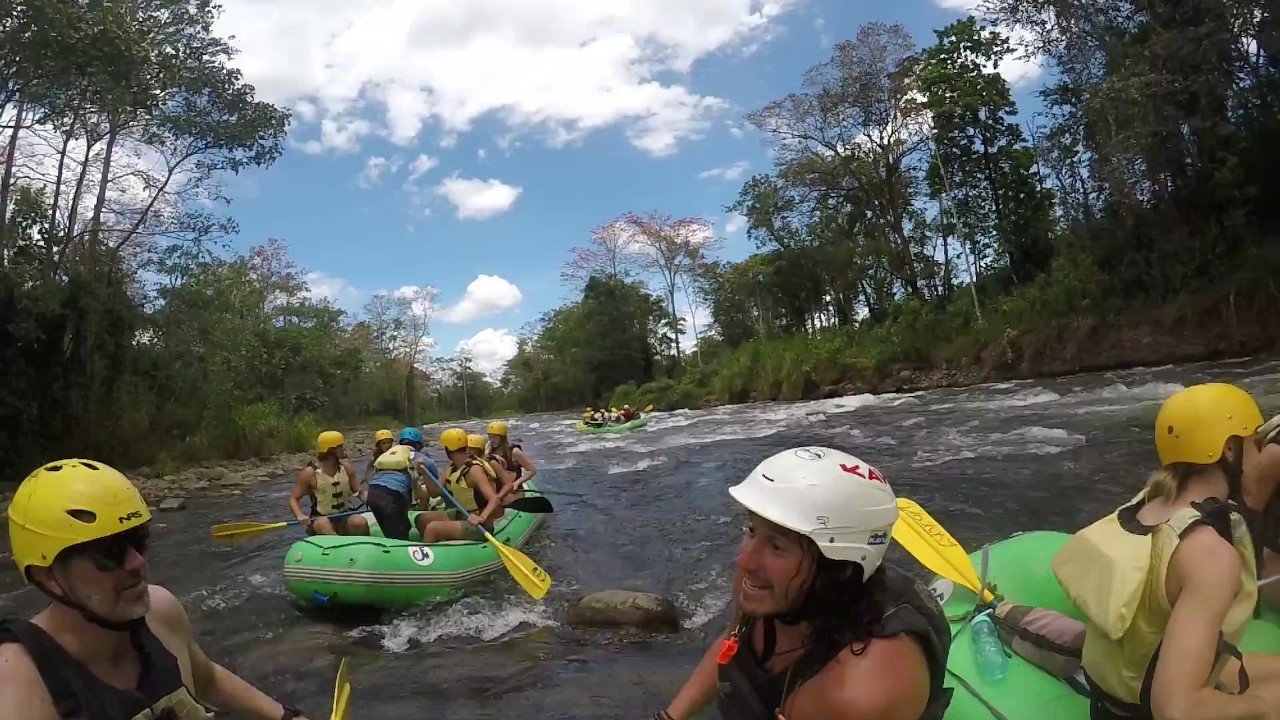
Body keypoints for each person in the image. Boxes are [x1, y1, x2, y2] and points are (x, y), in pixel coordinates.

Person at [0, 459, 316, 720]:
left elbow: (206, 677)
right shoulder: (19, 684)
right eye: (109, 552)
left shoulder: (160, 611)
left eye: (138, 539)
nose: (137, 562)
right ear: (48, 576)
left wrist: (285, 716)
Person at [656, 447, 952, 720]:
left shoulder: (858, 695)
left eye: (777, 547)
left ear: (836, 567)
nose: (745, 561)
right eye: (751, 530)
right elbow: (732, 640)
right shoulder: (768, 588)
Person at [1052, 382, 1280, 719]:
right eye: (1256, 443)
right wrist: (1260, 707)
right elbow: (1178, 710)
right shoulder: (1210, 556)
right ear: (1229, 451)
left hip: (1112, 703)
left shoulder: (1147, 504)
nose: (1263, 455)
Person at [416, 428, 505, 543]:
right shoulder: (451, 467)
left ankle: (430, 555)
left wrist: (481, 518)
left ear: (448, 449)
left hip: (480, 524)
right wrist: (424, 473)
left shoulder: (474, 470)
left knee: (432, 528)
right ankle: (441, 544)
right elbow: (434, 493)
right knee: (421, 519)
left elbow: (494, 499)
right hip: (461, 515)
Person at [287, 430, 368, 536]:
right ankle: (337, 547)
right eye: (340, 446)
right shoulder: (310, 473)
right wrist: (299, 515)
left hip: (344, 516)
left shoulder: (346, 468)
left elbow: (360, 493)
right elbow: (293, 498)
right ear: (331, 450)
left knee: (359, 521)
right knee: (323, 524)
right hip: (320, 519)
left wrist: (373, 502)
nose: (343, 449)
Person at [365, 444, 421, 541]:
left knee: (397, 529)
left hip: (373, 493)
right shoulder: (418, 457)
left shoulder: (387, 456)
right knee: (399, 536)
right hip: (391, 496)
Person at [486, 420, 536, 494]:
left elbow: (532, 471)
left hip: (514, 491)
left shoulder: (514, 452)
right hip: (498, 490)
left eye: (494, 437)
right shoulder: (488, 450)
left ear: (502, 438)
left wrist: (516, 483)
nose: (491, 440)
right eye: (489, 437)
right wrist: (486, 454)